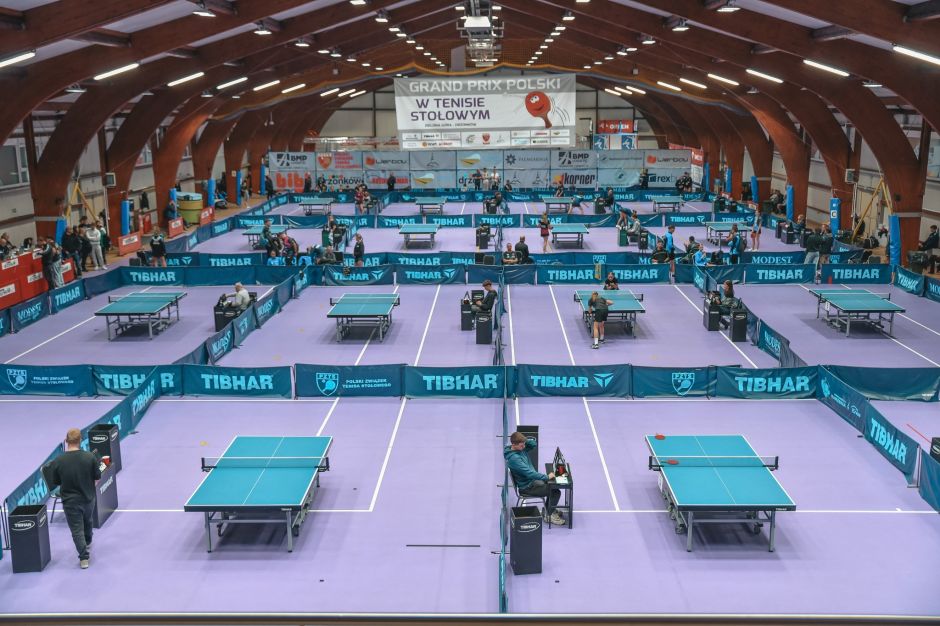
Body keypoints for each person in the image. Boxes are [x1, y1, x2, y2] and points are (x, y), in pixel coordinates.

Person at [46, 428, 101, 569]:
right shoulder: (90, 457)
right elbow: (97, 478)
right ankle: (87, 541)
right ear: (80, 440)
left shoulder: (58, 460)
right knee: (88, 520)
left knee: (77, 530)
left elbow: (56, 482)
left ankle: (84, 559)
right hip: (88, 498)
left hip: (70, 502)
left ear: (66, 441)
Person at [504, 432, 564, 527]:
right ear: (514, 444)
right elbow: (529, 474)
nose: (524, 447)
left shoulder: (519, 449)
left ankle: (548, 509)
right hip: (527, 487)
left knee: (552, 485)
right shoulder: (515, 459)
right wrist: (547, 477)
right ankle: (549, 515)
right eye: (521, 445)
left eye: (524, 444)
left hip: (531, 482)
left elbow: (533, 444)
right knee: (555, 492)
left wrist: (524, 440)